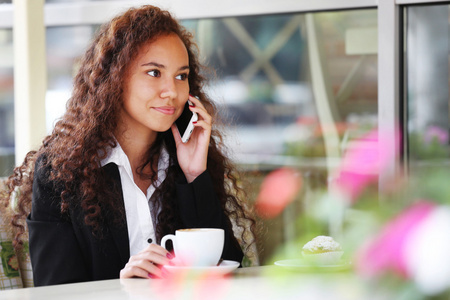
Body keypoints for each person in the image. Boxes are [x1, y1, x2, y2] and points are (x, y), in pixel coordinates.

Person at [3, 5, 255, 286]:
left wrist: (195, 176)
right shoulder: (60, 172)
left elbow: (231, 271)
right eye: (154, 73)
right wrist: (121, 286)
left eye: (181, 76)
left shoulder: (189, 159)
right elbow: (55, 289)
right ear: (116, 79)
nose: (172, 91)